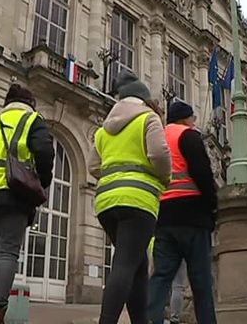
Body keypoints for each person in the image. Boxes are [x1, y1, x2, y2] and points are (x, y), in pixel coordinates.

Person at [88, 71, 172, 324]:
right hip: (139, 200)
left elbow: (93, 165)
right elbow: (159, 154)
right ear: (143, 99)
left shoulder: (104, 130)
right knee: (126, 262)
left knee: (136, 263)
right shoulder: (149, 118)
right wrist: (164, 177)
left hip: (106, 203)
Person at [0, 84, 54, 323]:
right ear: (30, 103)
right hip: (13, 193)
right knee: (8, 252)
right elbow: (45, 153)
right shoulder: (31, 120)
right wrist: (41, 182)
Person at [148, 101, 218, 324]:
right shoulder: (189, 136)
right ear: (185, 118)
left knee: (161, 277)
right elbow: (202, 174)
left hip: (164, 216)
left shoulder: (158, 136)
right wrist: (212, 206)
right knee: (201, 282)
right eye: (193, 117)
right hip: (193, 217)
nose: (194, 121)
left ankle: (151, 319)